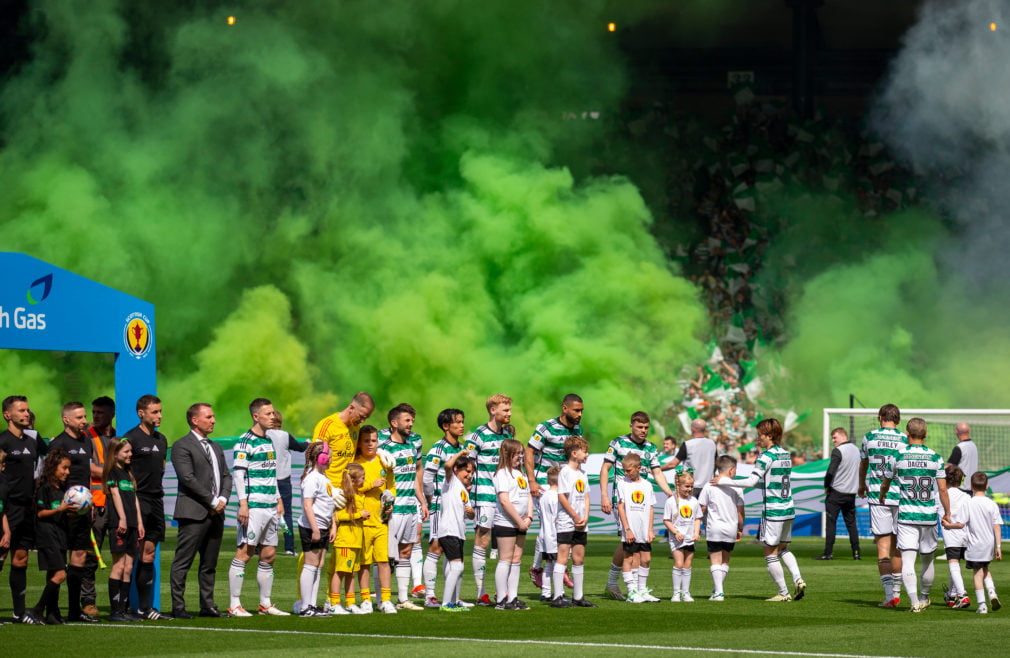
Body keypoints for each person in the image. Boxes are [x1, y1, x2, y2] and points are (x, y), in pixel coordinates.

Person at [713, 417, 806, 602]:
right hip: (788, 507)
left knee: (769, 552)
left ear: (769, 435)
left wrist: (725, 481)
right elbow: (767, 483)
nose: (758, 438)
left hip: (773, 510)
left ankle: (783, 592)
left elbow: (751, 481)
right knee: (783, 548)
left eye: (760, 435)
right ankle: (798, 578)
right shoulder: (785, 454)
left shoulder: (766, 456)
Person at [306, 391, 376, 614]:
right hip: (325, 493)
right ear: (352, 407)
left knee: (340, 552)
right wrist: (327, 488)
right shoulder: (327, 425)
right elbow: (314, 456)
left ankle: (330, 599)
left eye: (367, 417)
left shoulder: (354, 429)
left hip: (344, 495)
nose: (363, 420)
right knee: (314, 550)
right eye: (362, 415)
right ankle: (305, 599)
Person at [879, 417, 950, 612]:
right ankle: (924, 596)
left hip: (907, 516)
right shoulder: (936, 457)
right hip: (928, 516)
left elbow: (886, 481)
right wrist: (948, 513)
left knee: (908, 560)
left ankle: (913, 602)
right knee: (927, 560)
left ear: (907, 434)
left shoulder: (898, 456)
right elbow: (943, 490)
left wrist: (883, 494)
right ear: (925, 435)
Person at [600, 411, 673, 600]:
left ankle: (617, 584)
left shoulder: (651, 447)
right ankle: (632, 589)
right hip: (623, 502)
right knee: (631, 544)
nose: (643, 431)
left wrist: (669, 493)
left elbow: (657, 473)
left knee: (634, 542)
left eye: (646, 427)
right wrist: (605, 496)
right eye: (640, 427)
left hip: (642, 503)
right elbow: (605, 469)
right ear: (631, 425)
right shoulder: (618, 443)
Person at [169, 403, 233, 619]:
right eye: (209, 417)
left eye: (213, 416)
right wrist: (213, 501)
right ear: (195, 420)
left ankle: (208, 605)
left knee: (209, 563)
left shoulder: (215, 447)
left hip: (216, 513)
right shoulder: (181, 446)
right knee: (183, 562)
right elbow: (187, 478)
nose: (214, 420)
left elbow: (226, 475)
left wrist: (223, 498)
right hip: (193, 512)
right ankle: (178, 607)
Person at [227, 398, 289, 617]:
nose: (273, 417)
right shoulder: (245, 442)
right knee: (244, 553)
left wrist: (278, 498)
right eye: (269, 414)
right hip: (253, 507)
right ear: (256, 417)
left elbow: (272, 474)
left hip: (271, 506)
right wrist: (243, 504)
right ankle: (234, 604)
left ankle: (265, 604)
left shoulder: (269, 441)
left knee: (269, 554)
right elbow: (238, 474)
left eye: (273, 413)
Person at [48, 401, 101, 623]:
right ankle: (52, 610)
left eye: (84, 416)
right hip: (62, 510)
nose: (84, 420)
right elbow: (50, 477)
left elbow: (87, 474)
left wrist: (87, 504)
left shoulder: (87, 441)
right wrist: (58, 505)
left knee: (79, 558)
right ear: (66, 419)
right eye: (79, 417)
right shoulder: (58, 443)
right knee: (58, 561)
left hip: (82, 509)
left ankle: (73, 610)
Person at [525, 394, 583, 589]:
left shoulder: (577, 429)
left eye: (582, 410)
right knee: (549, 527)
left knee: (563, 529)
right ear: (564, 408)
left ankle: (558, 566)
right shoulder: (546, 428)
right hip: (544, 485)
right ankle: (537, 567)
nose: (580, 414)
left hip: (564, 487)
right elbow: (529, 451)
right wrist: (532, 481)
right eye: (576, 410)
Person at [123, 394, 172, 620]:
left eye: (160, 411)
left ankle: (145, 608)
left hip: (156, 501)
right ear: (141, 413)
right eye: (155, 412)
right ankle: (122, 608)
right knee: (130, 555)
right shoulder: (130, 438)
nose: (159, 415)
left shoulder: (162, 440)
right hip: (137, 501)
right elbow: (122, 472)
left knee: (149, 554)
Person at [464, 393, 513, 606]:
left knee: (507, 545)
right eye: (506, 410)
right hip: (484, 497)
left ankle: (504, 592)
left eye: (510, 410)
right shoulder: (478, 435)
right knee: (483, 541)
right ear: (493, 410)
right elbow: (467, 467)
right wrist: (467, 498)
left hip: (506, 498)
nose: (509, 414)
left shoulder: (508, 436)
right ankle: (481, 591)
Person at [0, 395, 45, 624]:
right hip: (6, 508)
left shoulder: (31, 441)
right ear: (8, 415)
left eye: (27, 410)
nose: (26, 414)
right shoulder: (3, 442)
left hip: (27, 509)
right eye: (21, 411)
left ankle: (19, 613)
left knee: (21, 560)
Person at [858, 403, 907, 608]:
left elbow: (863, 464)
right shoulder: (905, 439)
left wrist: (861, 485)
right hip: (901, 497)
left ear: (880, 417)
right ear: (898, 419)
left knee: (883, 549)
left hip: (879, 497)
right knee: (899, 548)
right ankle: (897, 594)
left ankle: (889, 597)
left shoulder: (869, 437)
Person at [378, 403, 426, 609]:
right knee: (385, 555)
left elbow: (415, 476)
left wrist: (422, 501)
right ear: (394, 423)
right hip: (393, 510)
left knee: (406, 551)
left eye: (412, 420)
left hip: (410, 507)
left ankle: (403, 599)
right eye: (407, 420)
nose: (411, 424)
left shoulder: (411, 446)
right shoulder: (384, 449)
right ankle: (382, 599)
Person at [421, 409, 465, 608]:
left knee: (452, 549)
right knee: (437, 547)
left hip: (455, 506)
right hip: (440, 505)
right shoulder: (438, 449)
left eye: (463, 422)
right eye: (457, 422)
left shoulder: (462, 448)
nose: (462, 425)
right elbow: (427, 478)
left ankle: (454, 595)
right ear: (446, 426)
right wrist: (431, 500)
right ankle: (429, 594)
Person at [352, 424, 396, 614]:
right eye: (366, 441)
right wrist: (370, 485)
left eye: (374, 440)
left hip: (381, 521)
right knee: (364, 563)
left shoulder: (384, 462)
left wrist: (390, 501)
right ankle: (365, 599)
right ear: (360, 443)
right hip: (362, 521)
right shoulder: (355, 463)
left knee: (383, 561)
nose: (371, 444)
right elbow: (351, 489)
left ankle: (385, 600)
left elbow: (392, 487)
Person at [81, 395, 116, 619]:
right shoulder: (86, 437)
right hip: (97, 503)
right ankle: (88, 601)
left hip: (118, 502)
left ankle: (120, 603)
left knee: (123, 555)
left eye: (99, 413)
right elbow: (89, 468)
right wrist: (115, 471)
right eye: (93, 412)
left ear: (112, 414)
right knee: (91, 556)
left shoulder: (119, 436)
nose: (95, 416)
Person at [552, 435, 596, 608]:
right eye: (585, 452)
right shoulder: (565, 472)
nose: (587, 455)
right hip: (566, 521)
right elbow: (562, 496)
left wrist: (585, 516)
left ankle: (578, 596)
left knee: (579, 558)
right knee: (563, 556)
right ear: (574, 453)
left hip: (581, 523)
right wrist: (575, 516)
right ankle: (557, 596)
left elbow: (586, 496)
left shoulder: (582, 474)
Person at [296, 442, 339, 617]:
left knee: (318, 565)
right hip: (312, 526)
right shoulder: (312, 478)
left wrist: (332, 525)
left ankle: (312, 605)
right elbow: (307, 505)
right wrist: (314, 529)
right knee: (311, 564)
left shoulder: (324, 478)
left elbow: (330, 505)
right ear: (320, 458)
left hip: (323, 526)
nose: (330, 458)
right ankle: (306, 607)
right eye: (328, 455)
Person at [103, 440, 144, 622]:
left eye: (130, 451)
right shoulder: (113, 473)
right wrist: (123, 518)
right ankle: (115, 611)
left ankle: (124, 608)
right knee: (118, 566)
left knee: (128, 568)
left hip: (133, 525)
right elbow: (115, 495)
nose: (130, 455)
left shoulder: (128, 473)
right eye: (126, 452)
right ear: (115, 453)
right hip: (119, 524)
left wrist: (139, 523)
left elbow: (134, 499)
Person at [32, 449, 74, 625]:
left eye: (68, 468)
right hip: (47, 535)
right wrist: (59, 510)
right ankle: (36, 610)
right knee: (60, 574)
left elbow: (61, 512)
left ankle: (52, 613)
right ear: (53, 467)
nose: (67, 472)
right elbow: (40, 514)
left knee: (52, 574)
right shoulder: (45, 488)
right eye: (64, 468)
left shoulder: (63, 489)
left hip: (60, 535)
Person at [492, 438, 533, 610]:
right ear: (507, 454)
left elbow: (529, 495)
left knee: (516, 560)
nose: (520, 457)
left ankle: (513, 597)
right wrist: (518, 520)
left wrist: (529, 517)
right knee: (505, 559)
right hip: (506, 522)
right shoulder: (502, 474)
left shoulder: (521, 474)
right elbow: (504, 501)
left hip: (521, 523)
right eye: (517, 454)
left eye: (521, 453)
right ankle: (501, 599)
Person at [698, 454, 745, 601]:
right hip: (731, 527)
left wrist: (696, 524)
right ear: (731, 470)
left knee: (715, 560)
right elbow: (740, 512)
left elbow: (701, 508)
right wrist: (740, 528)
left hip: (714, 528)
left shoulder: (709, 485)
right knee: (725, 561)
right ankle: (718, 590)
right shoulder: (737, 487)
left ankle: (718, 592)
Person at [436, 450, 475, 612]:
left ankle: (454, 601)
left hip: (459, 532)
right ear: (457, 469)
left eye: (472, 472)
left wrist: (471, 513)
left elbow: (471, 515)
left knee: (454, 568)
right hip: (449, 530)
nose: (470, 475)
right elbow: (447, 465)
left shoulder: (464, 490)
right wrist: (460, 454)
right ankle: (446, 604)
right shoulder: (450, 481)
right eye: (467, 470)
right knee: (457, 567)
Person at [617, 453, 657, 603]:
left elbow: (651, 508)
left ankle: (642, 590)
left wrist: (650, 529)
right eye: (625, 470)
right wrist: (627, 529)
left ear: (638, 468)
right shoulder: (623, 483)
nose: (626, 473)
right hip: (631, 529)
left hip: (643, 529)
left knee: (646, 559)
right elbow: (621, 507)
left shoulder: (647, 485)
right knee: (629, 558)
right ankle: (631, 591)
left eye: (629, 470)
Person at [817, 427, 861, 561]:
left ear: (843, 436)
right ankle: (856, 553)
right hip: (851, 494)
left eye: (835, 437)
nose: (833, 440)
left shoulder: (838, 451)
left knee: (831, 523)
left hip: (836, 492)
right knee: (851, 524)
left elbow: (830, 471)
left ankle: (828, 553)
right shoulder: (856, 450)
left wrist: (826, 486)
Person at [267, 410, 307, 556]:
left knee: (264, 513)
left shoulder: (263, 435)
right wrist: (308, 443)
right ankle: (289, 547)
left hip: (266, 480)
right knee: (286, 514)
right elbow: (300, 448)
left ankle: (258, 547)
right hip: (283, 480)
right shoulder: (284, 435)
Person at [962, 472, 1002, 614]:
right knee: (985, 568)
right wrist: (998, 546)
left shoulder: (968, 503)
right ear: (987, 486)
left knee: (977, 573)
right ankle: (992, 592)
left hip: (975, 544)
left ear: (971, 486)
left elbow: (962, 523)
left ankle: (982, 605)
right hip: (989, 544)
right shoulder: (992, 504)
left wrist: (949, 524)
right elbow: (996, 526)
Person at [332, 463, 368, 615]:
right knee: (339, 572)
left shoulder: (358, 494)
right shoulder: (344, 495)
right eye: (362, 478)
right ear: (353, 480)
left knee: (351, 573)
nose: (364, 480)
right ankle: (334, 603)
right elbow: (338, 516)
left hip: (355, 541)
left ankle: (350, 602)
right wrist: (360, 515)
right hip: (345, 541)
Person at [664, 470, 701, 602]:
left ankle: (686, 592)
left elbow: (697, 518)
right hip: (677, 538)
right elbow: (667, 520)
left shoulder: (694, 501)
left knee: (687, 564)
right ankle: (676, 593)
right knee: (679, 563)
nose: (689, 489)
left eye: (691, 486)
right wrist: (675, 532)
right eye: (687, 486)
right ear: (678, 485)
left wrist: (696, 532)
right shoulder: (671, 501)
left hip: (690, 538)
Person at [940, 465, 971, 609]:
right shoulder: (966, 496)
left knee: (953, 566)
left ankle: (962, 595)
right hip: (965, 534)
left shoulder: (941, 494)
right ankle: (952, 595)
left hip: (951, 535)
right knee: (956, 565)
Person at [671, 419, 717, 496]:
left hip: (690, 487)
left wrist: (658, 469)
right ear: (704, 429)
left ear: (692, 429)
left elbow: (673, 464)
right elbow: (716, 463)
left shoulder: (688, 445)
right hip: (708, 487)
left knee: (688, 508)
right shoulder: (712, 444)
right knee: (703, 508)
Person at [536, 466, 561, 603]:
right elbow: (557, 518)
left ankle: (546, 593)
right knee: (558, 564)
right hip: (555, 535)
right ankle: (559, 592)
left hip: (544, 534)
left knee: (549, 564)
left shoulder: (544, 496)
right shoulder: (556, 497)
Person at [948, 423, 978, 493]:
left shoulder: (960, 447)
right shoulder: (974, 446)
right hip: (972, 487)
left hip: (961, 487)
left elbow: (949, 467)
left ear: (956, 432)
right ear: (969, 431)